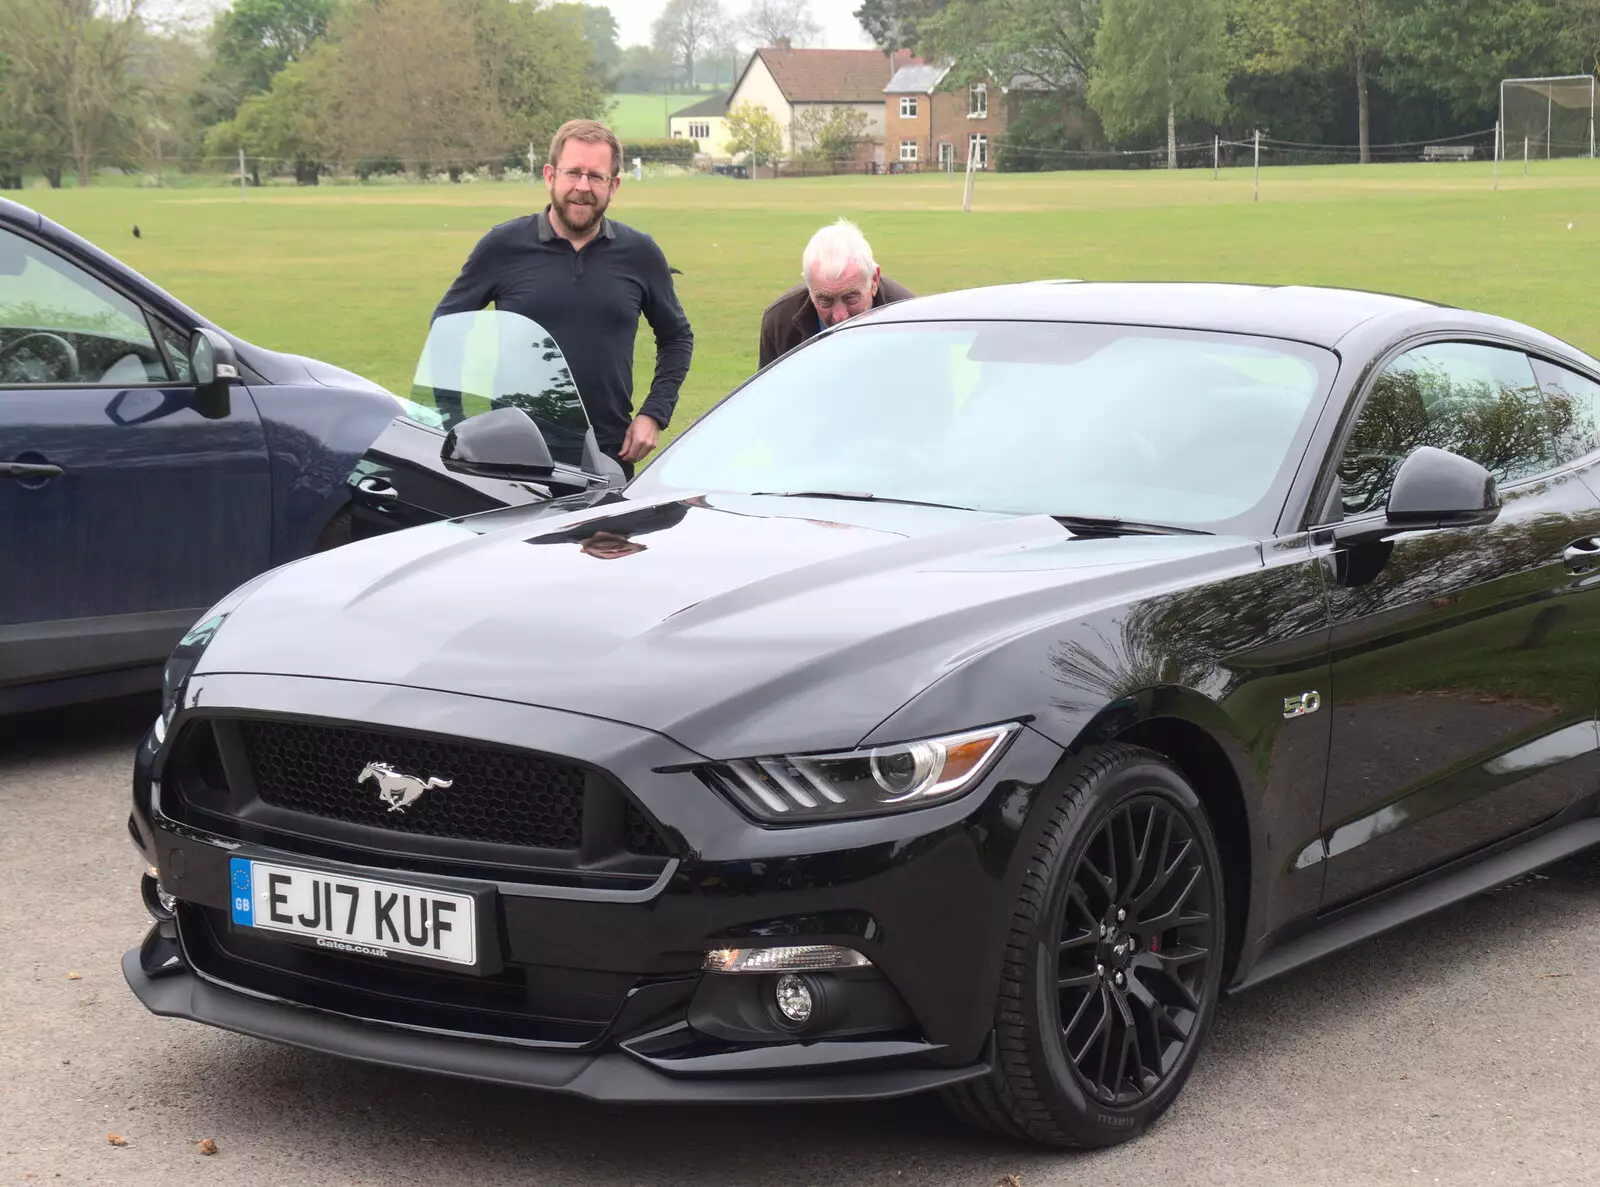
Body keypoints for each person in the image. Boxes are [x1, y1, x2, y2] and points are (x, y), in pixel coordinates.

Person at [432, 119, 693, 477]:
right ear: (550, 175)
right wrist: (457, 418)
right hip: (512, 454)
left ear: (613, 185)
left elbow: (677, 337)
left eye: (595, 176)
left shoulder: (640, 254)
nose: (582, 187)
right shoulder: (503, 246)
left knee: (604, 537)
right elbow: (448, 328)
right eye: (573, 173)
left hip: (606, 455)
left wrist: (654, 414)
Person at [757, 218, 913, 370]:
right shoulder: (780, 322)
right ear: (808, 287)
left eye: (851, 298)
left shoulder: (910, 320)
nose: (840, 317)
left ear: (873, 280)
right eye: (825, 300)